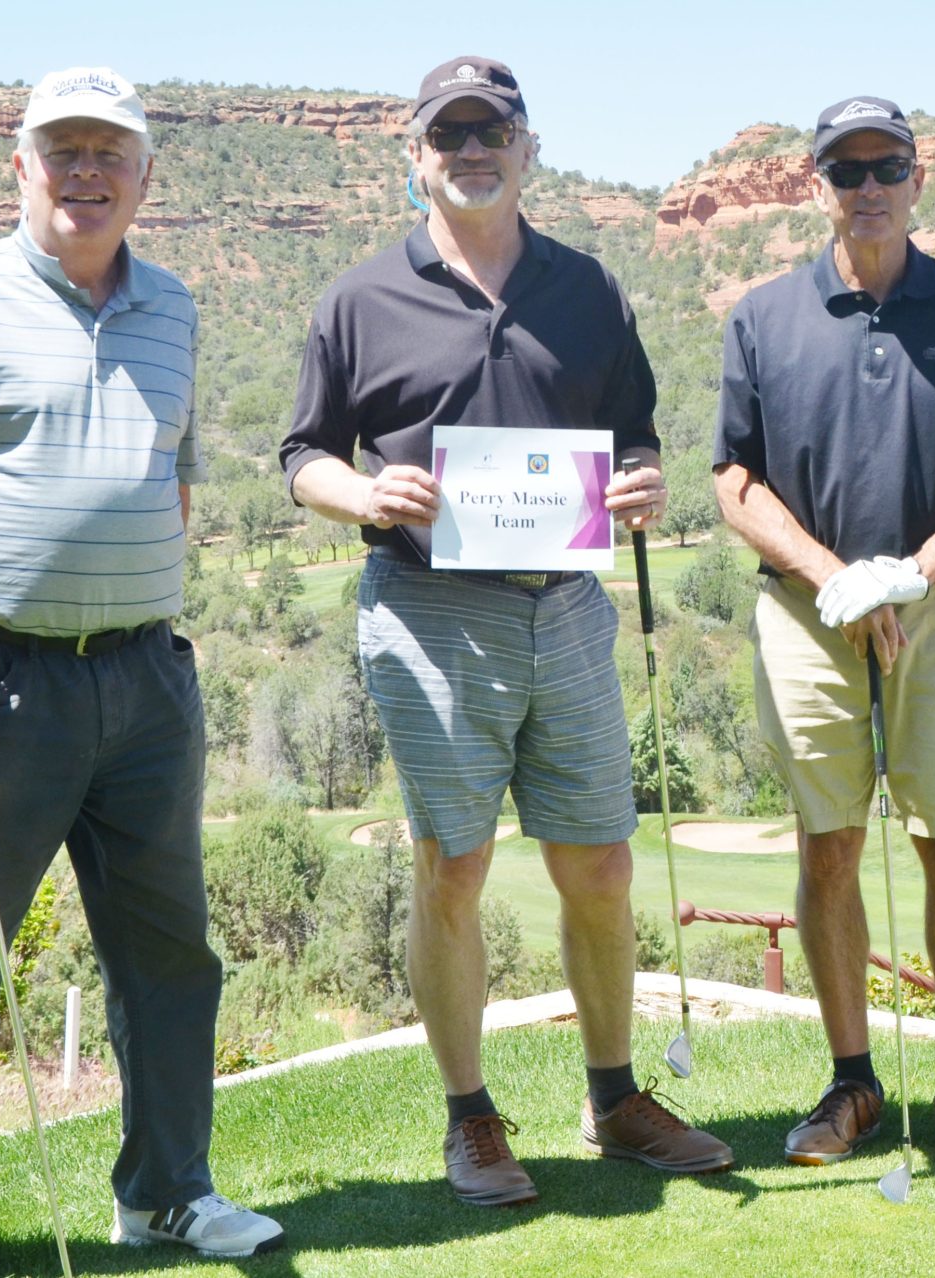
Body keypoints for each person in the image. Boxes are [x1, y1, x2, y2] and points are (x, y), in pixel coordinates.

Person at [0, 67, 285, 1277]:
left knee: (170, 958)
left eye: (109, 151)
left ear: (145, 175)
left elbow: (172, 474)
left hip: (144, 682)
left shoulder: (173, 306)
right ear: (20, 167)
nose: (87, 170)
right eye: (63, 149)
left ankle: (170, 1196)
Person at [278, 54, 731, 1208]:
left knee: (601, 863)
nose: (471, 151)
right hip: (429, 611)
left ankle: (614, 1099)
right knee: (454, 866)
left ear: (529, 149)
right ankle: (471, 1119)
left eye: (492, 132)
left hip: (565, 605)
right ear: (415, 155)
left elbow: (633, 433)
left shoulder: (587, 287)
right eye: (449, 134)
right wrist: (363, 494)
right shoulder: (360, 299)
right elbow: (303, 455)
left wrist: (643, 481)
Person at [714, 96, 935, 1173]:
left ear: (919, 178)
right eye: (845, 169)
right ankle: (852, 1083)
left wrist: (916, 572)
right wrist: (836, 581)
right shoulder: (763, 316)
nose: (867, 186)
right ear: (814, 183)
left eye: (886, 166)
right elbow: (734, 480)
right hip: (805, 615)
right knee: (827, 848)